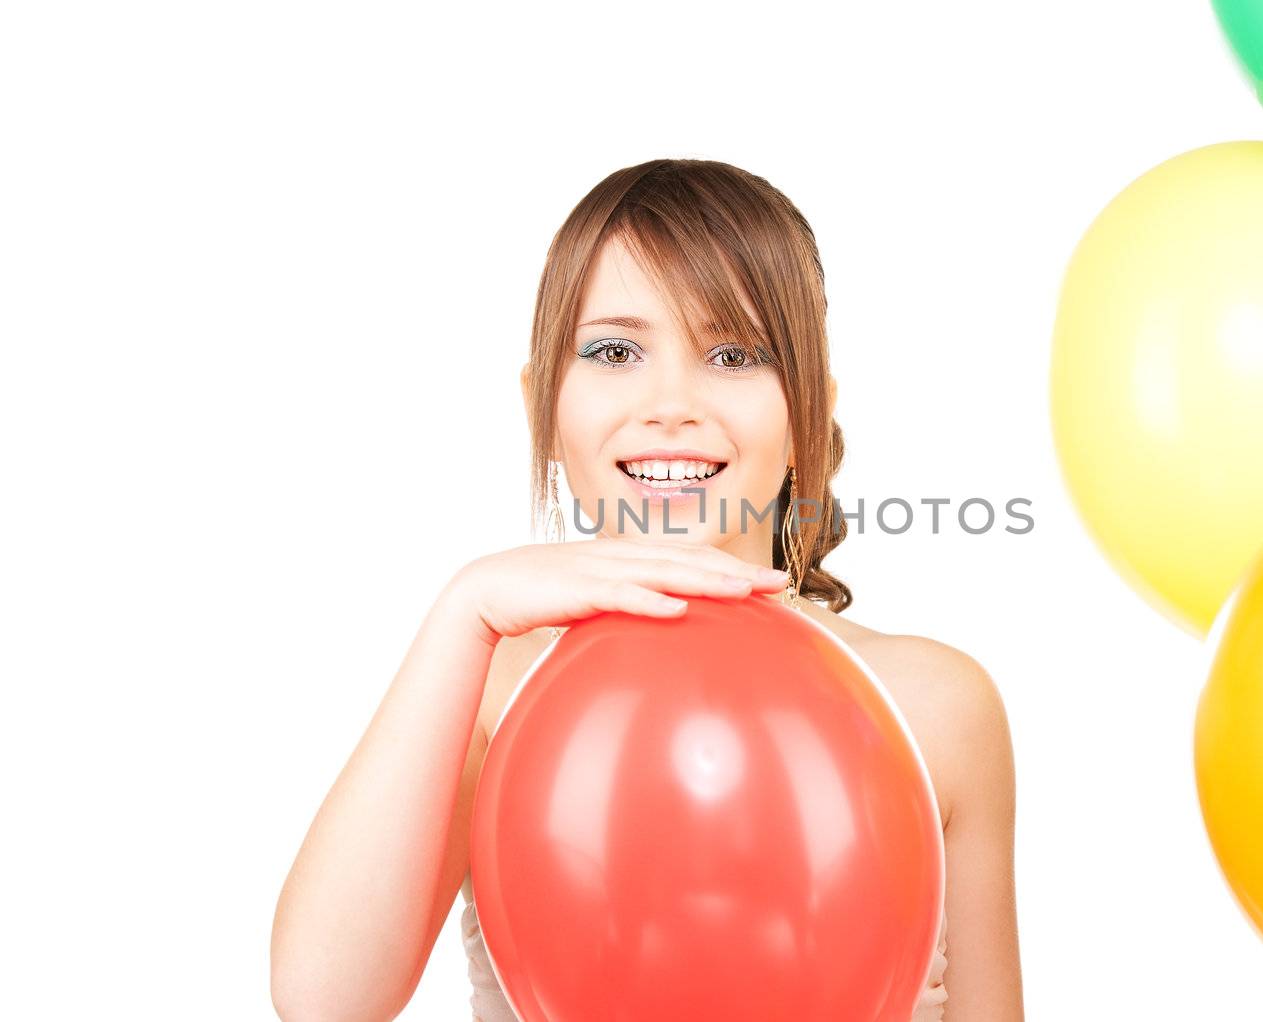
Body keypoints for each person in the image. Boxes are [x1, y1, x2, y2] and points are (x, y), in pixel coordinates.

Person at [270, 158, 1024, 1020]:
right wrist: (463, 608)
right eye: (615, 350)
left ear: (808, 413)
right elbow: (323, 1000)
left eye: (733, 352)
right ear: (542, 405)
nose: (671, 403)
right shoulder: (491, 685)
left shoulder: (935, 703)